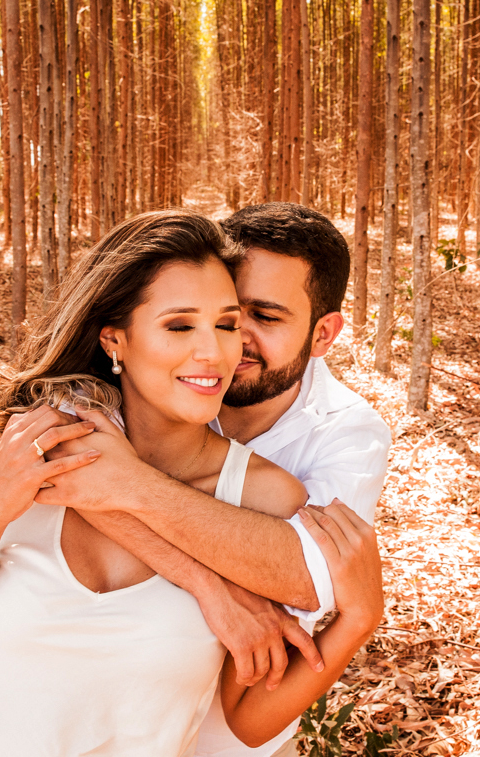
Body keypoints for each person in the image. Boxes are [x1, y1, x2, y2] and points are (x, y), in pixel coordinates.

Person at [0, 210, 384, 756]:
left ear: (322, 333)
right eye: (179, 325)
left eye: (227, 324)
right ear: (114, 341)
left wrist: (358, 619)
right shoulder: (41, 445)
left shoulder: (277, 490)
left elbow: (301, 601)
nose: (221, 349)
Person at [35, 202, 392, 756]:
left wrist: (129, 483)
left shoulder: (348, 434)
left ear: (323, 335)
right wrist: (213, 585)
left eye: (266, 318)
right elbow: (69, 470)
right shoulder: (156, 378)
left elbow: (307, 575)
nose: (229, 342)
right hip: (100, 723)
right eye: (227, 312)